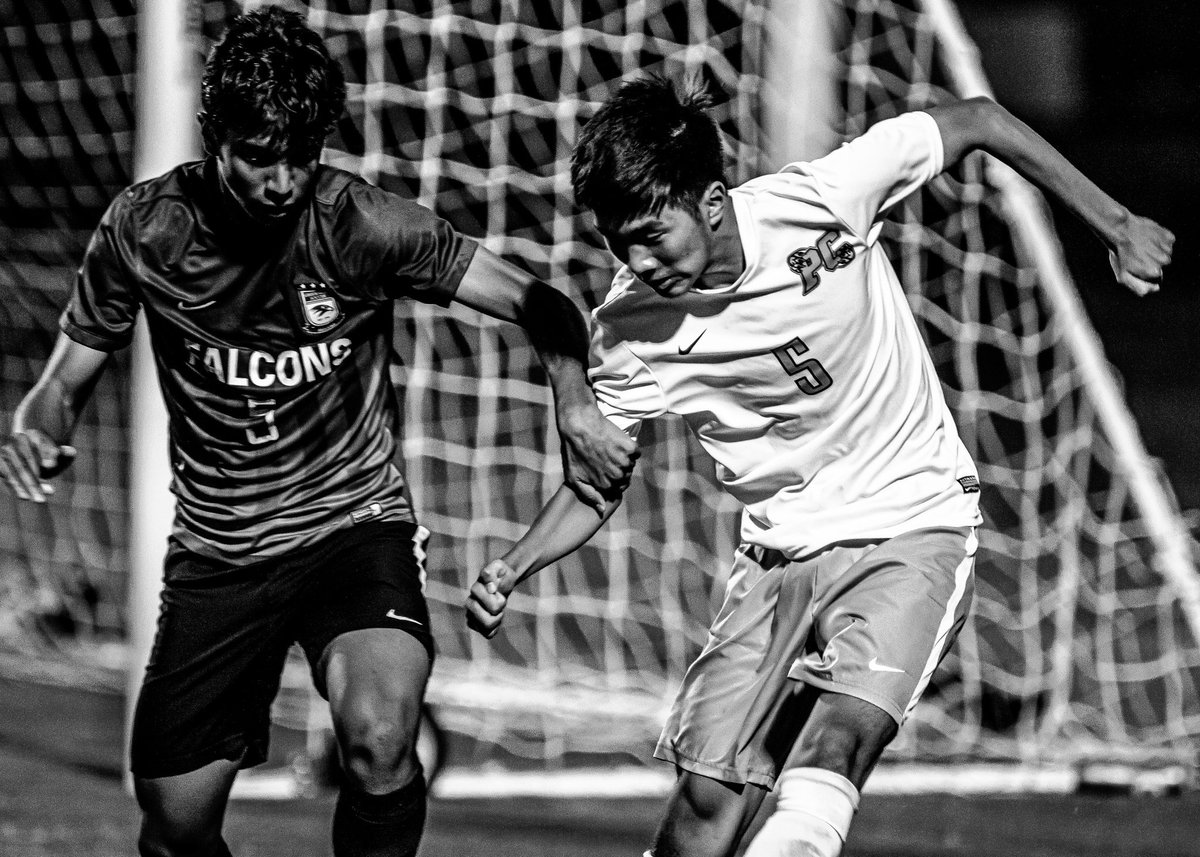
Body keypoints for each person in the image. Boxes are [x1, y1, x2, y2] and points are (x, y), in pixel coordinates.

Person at [465, 74, 1174, 857]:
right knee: (705, 805)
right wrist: (516, 562)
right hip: (775, 560)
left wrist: (1115, 223)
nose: (638, 259)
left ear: (710, 201)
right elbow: (598, 480)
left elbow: (977, 119)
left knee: (830, 752)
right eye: (618, 242)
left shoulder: (822, 198)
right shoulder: (632, 329)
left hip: (911, 525)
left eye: (651, 235)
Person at [0, 7, 637, 857]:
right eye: (258, 157)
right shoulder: (145, 229)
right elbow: (64, 377)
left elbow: (541, 303)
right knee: (175, 825)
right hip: (221, 548)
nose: (282, 181)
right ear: (213, 139)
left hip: (353, 526)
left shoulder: (362, 225)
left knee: (381, 735)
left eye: (302, 156)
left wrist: (576, 404)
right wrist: (40, 423)